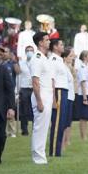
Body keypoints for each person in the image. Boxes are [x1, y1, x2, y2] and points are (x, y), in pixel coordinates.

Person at [29, 32, 54, 165]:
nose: (49, 42)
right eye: (47, 40)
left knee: (44, 128)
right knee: (39, 127)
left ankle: (41, 155)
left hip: (47, 94)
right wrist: (39, 101)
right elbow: (35, 81)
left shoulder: (44, 57)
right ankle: (38, 158)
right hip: (41, 95)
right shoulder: (37, 58)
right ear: (40, 42)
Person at [49, 39, 69, 157]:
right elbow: (52, 79)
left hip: (63, 90)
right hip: (58, 91)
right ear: (55, 47)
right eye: (61, 44)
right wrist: (53, 99)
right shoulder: (53, 59)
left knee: (61, 123)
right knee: (57, 123)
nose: (63, 46)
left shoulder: (60, 60)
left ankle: (57, 150)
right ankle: (53, 151)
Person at [74, 50, 88, 141]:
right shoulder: (82, 68)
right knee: (83, 117)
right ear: (85, 57)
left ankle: (85, 135)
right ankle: (83, 136)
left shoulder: (86, 67)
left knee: (86, 117)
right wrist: (85, 98)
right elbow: (83, 83)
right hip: (84, 94)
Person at [17, 45, 34, 136]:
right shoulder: (21, 63)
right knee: (24, 111)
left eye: (31, 50)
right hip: (24, 88)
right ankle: (24, 130)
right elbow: (18, 76)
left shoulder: (36, 62)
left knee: (35, 110)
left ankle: (36, 129)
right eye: (27, 50)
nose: (29, 52)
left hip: (34, 88)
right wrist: (17, 90)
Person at [62, 47, 76, 150]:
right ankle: (62, 142)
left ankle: (66, 141)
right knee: (64, 121)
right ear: (65, 57)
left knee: (68, 121)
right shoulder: (64, 68)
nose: (72, 58)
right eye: (70, 56)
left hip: (71, 97)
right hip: (66, 97)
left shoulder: (69, 67)